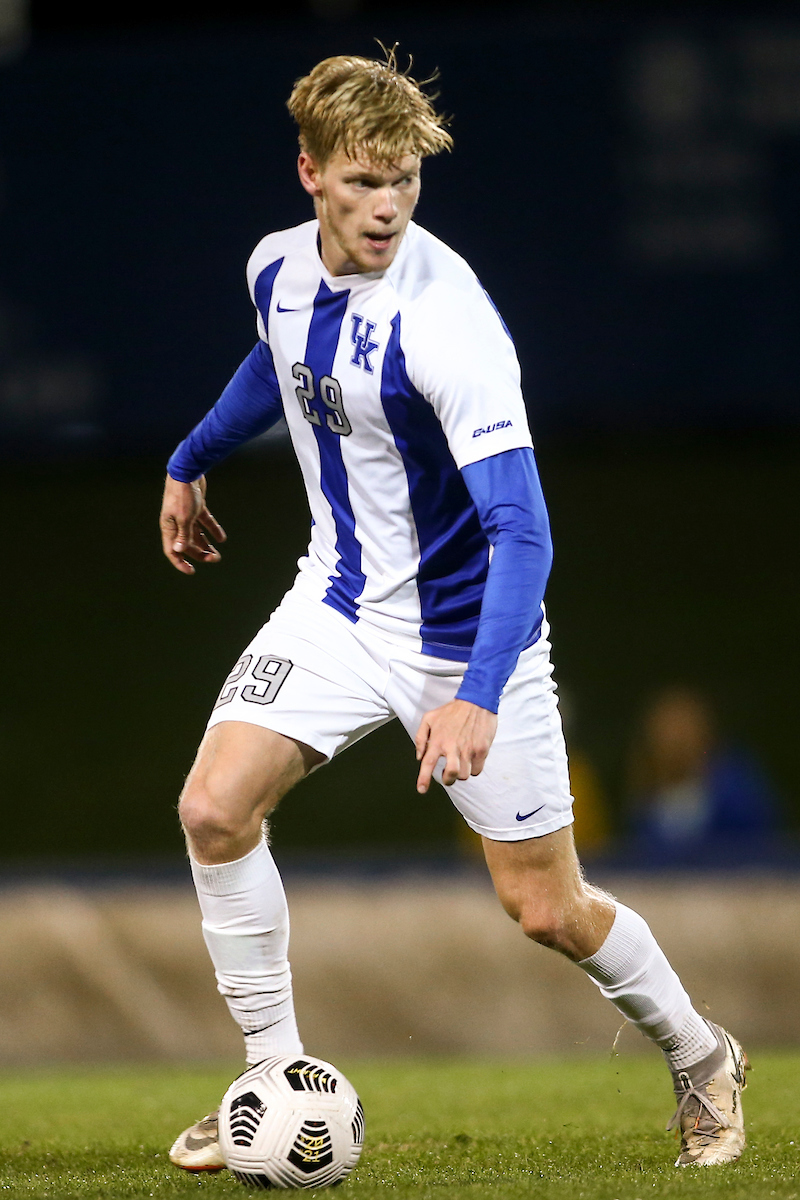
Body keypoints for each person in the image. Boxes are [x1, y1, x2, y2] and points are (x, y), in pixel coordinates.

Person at [160, 49, 748, 1173]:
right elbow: (278, 368)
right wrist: (189, 461)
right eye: (362, 183)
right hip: (333, 606)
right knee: (212, 808)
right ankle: (270, 1075)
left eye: (405, 183)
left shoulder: (450, 324)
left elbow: (523, 532)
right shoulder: (275, 270)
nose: (386, 209)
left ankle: (702, 1058)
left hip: (470, 633)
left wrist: (476, 694)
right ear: (309, 174)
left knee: (543, 908)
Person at [628, 685, 779, 865]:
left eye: (683, 729)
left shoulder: (736, 789)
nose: (675, 742)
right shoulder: (645, 799)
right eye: (667, 731)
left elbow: (764, 846)